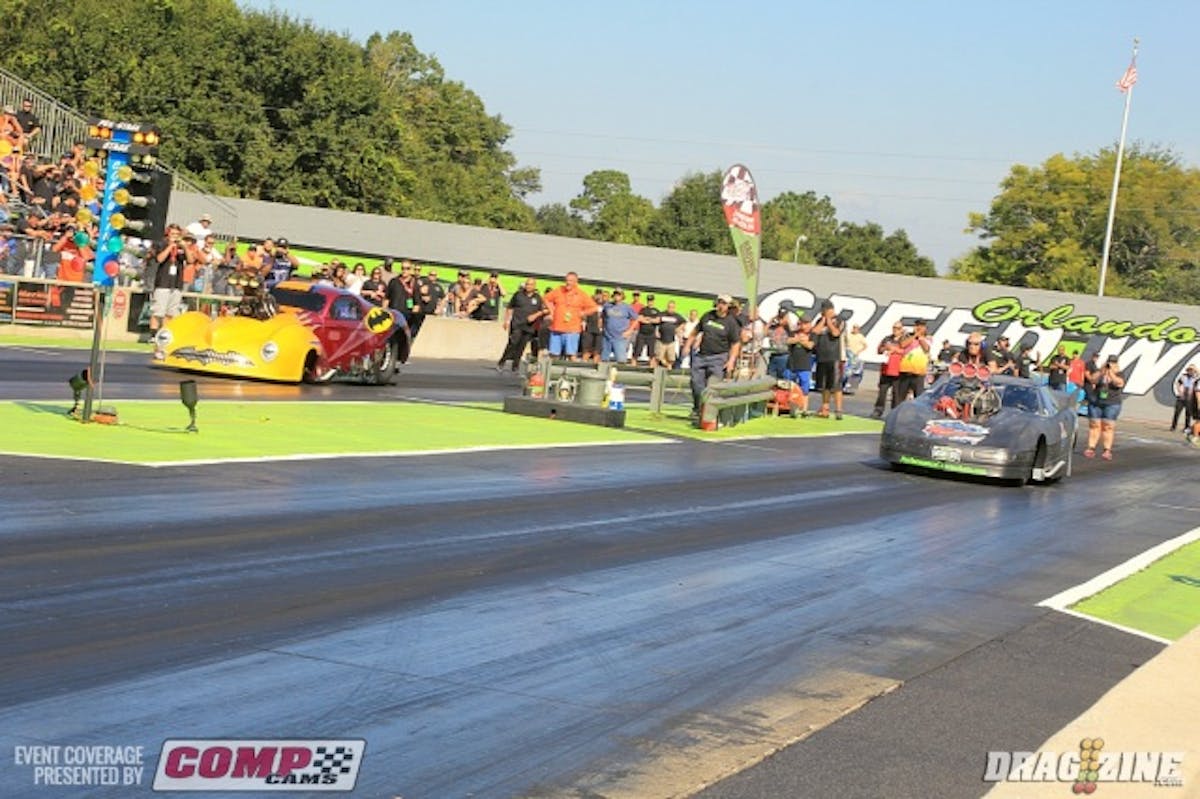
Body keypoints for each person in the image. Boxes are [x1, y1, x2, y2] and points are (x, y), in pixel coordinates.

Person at [684, 294, 741, 421]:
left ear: (728, 306)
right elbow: (695, 332)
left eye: (724, 303)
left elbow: (735, 344)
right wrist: (687, 346)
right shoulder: (708, 316)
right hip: (702, 355)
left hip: (719, 357)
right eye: (719, 302)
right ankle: (697, 408)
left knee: (713, 386)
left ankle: (710, 414)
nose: (721, 306)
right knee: (696, 384)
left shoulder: (731, 322)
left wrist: (731, 361)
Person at [542, 271, 599, 361]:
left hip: (572, 329)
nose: (568, 283)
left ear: (576, 282)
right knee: (553, 355)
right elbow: (546, 298)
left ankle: (572, 369)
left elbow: (594, 308)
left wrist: (582, 313)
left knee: (571, 355)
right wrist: (552, 310)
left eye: (571, 281)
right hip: (557, 328)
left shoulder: (581, 294)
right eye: (567, 280)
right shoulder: (559, 290)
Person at [497, 278, 547, 372]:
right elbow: (510, 307)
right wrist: (506, 321)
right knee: (513, 343)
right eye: (527, 284)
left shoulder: (538, 298)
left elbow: (544, 310)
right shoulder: (518, 294)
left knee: (521, 346)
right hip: (517, 323)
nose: (528, 286)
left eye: (531, 285)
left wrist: (535, 315)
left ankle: (515, 365)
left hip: (529, 326)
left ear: (534, 286)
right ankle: (502, 362)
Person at [1082, 354, 1125, 461]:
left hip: (1112, 403)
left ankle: (1107, 450)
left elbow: (1119, 383)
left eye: (1114, 363)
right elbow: (1092, 380)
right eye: (1110, 362)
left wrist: (1111, 373)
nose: (1111, 365)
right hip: (1096, 401)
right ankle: (1091, 447)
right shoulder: (1100, 372)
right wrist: (1102, 371)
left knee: (1108, 426)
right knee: (1094, 424)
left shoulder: (1120, 374)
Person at [149, 225, 187, 335]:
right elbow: (159, 259)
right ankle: (153, 335)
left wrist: (185, 248)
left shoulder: (180, 248)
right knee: (158, 312)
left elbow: (190, 260)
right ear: (168, 234)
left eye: (177, 234)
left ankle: (164, 334)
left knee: (171, 313)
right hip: (163, 283)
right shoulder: (161, 244)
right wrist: (170, 246)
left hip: (176, 284)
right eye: (173, 234)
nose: (175, 236)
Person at [810, 299, 845, 419]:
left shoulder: (839, 320)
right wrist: (823, 320)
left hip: (835, 357)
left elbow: (835, 333)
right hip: (822, 356)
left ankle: (838, 410)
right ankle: (825, 408)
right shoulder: (820, 320)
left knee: (836, 385)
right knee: (824, 385)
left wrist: (829, 321)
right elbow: (815, 331)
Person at [872, 322, 905, 418]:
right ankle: (878, 410)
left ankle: (894, 412)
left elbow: (906, 351)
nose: (895, 330)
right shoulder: (887, 339)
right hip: (886, 369)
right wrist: (884, 348)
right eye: (894, 327)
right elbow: (879, 350)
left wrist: (894, 349)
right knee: (882, 391)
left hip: (898, 370)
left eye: (898, 328)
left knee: (896, 393)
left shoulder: (905, 340)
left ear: (901, 329)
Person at [600, 289, 638, 363]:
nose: (616, 296)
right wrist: (602, 327)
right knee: (604, 360)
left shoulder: (627, 307)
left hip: (620, 337)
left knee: (621, 361)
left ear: (622, 296)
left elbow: (636, 319)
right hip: (607, 337)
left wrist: (629, 331)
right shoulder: (607, 305)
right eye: (615, 294)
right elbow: (602, 317)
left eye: (619, 295)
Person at [653, 300, 686, 369]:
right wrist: (656, 330)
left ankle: (669, 370)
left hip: (671, 341)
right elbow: (656, 321)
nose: (670, 309)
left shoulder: (677, 316)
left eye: (672, 307)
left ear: (674, 308)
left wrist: (678, 328)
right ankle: (655, 370)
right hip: (661, 340)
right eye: (669, 307)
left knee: (671, 359)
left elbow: (684, 322)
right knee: (657, 358)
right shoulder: (662, 314)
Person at [632, 294, 660, 364]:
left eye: (651, 300)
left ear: (653, 301)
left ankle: (652, 365)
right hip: (642, 334)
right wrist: (650, 320)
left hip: (651, 334)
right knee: (637, 349)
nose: (650, 302)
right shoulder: (643, 309)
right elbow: (640, 319)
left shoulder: (656, 311)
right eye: (649, 300)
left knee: (651, 352)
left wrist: (648, 319)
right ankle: (633, 363)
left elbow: (657, 320)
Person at [1171, 365, 1198, 432]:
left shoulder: (1195, 378)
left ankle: (1186, 427)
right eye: (1189, 370)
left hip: (1189, 398)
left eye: (1192, 370)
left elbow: (1196, 387)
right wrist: (1179, 391)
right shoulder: (1183, 377)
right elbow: (1178, 383)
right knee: (1177, 412)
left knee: (1188, 414)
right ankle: (1173, 426)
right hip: (1181, 398)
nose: (1190, 371)